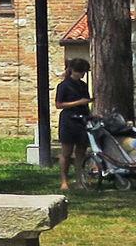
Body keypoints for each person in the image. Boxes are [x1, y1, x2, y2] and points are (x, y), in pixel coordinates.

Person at [53, 56, 91, 190]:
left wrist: (89, 113)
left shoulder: (83, 86)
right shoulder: (63, 86)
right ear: (74, 71)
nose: (83, 74)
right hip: (68, 120)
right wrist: (78, 102)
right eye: (81, 72)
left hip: (82, 120)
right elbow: (59, 104)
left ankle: (79, 180)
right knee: (67, 152)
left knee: (81, 152)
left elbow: (86, 102)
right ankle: (64, 181)